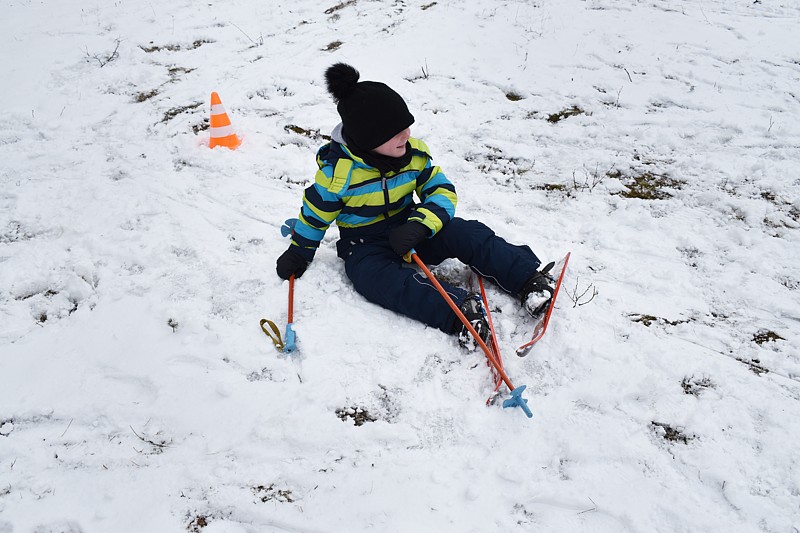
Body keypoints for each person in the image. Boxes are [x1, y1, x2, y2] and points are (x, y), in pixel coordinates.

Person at [276, 63, 554, 347]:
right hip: (365, 245)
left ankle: (527, 279)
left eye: (407, 126)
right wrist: (300, 252)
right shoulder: (337, 176)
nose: (407, 135)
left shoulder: (414, 157)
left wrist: (420, 224)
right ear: (368, 138)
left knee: (465, 232)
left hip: (411, 228)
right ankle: (459, 313)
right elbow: (314, 216)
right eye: (395, 132)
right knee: (371, 279)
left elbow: (442, 191)